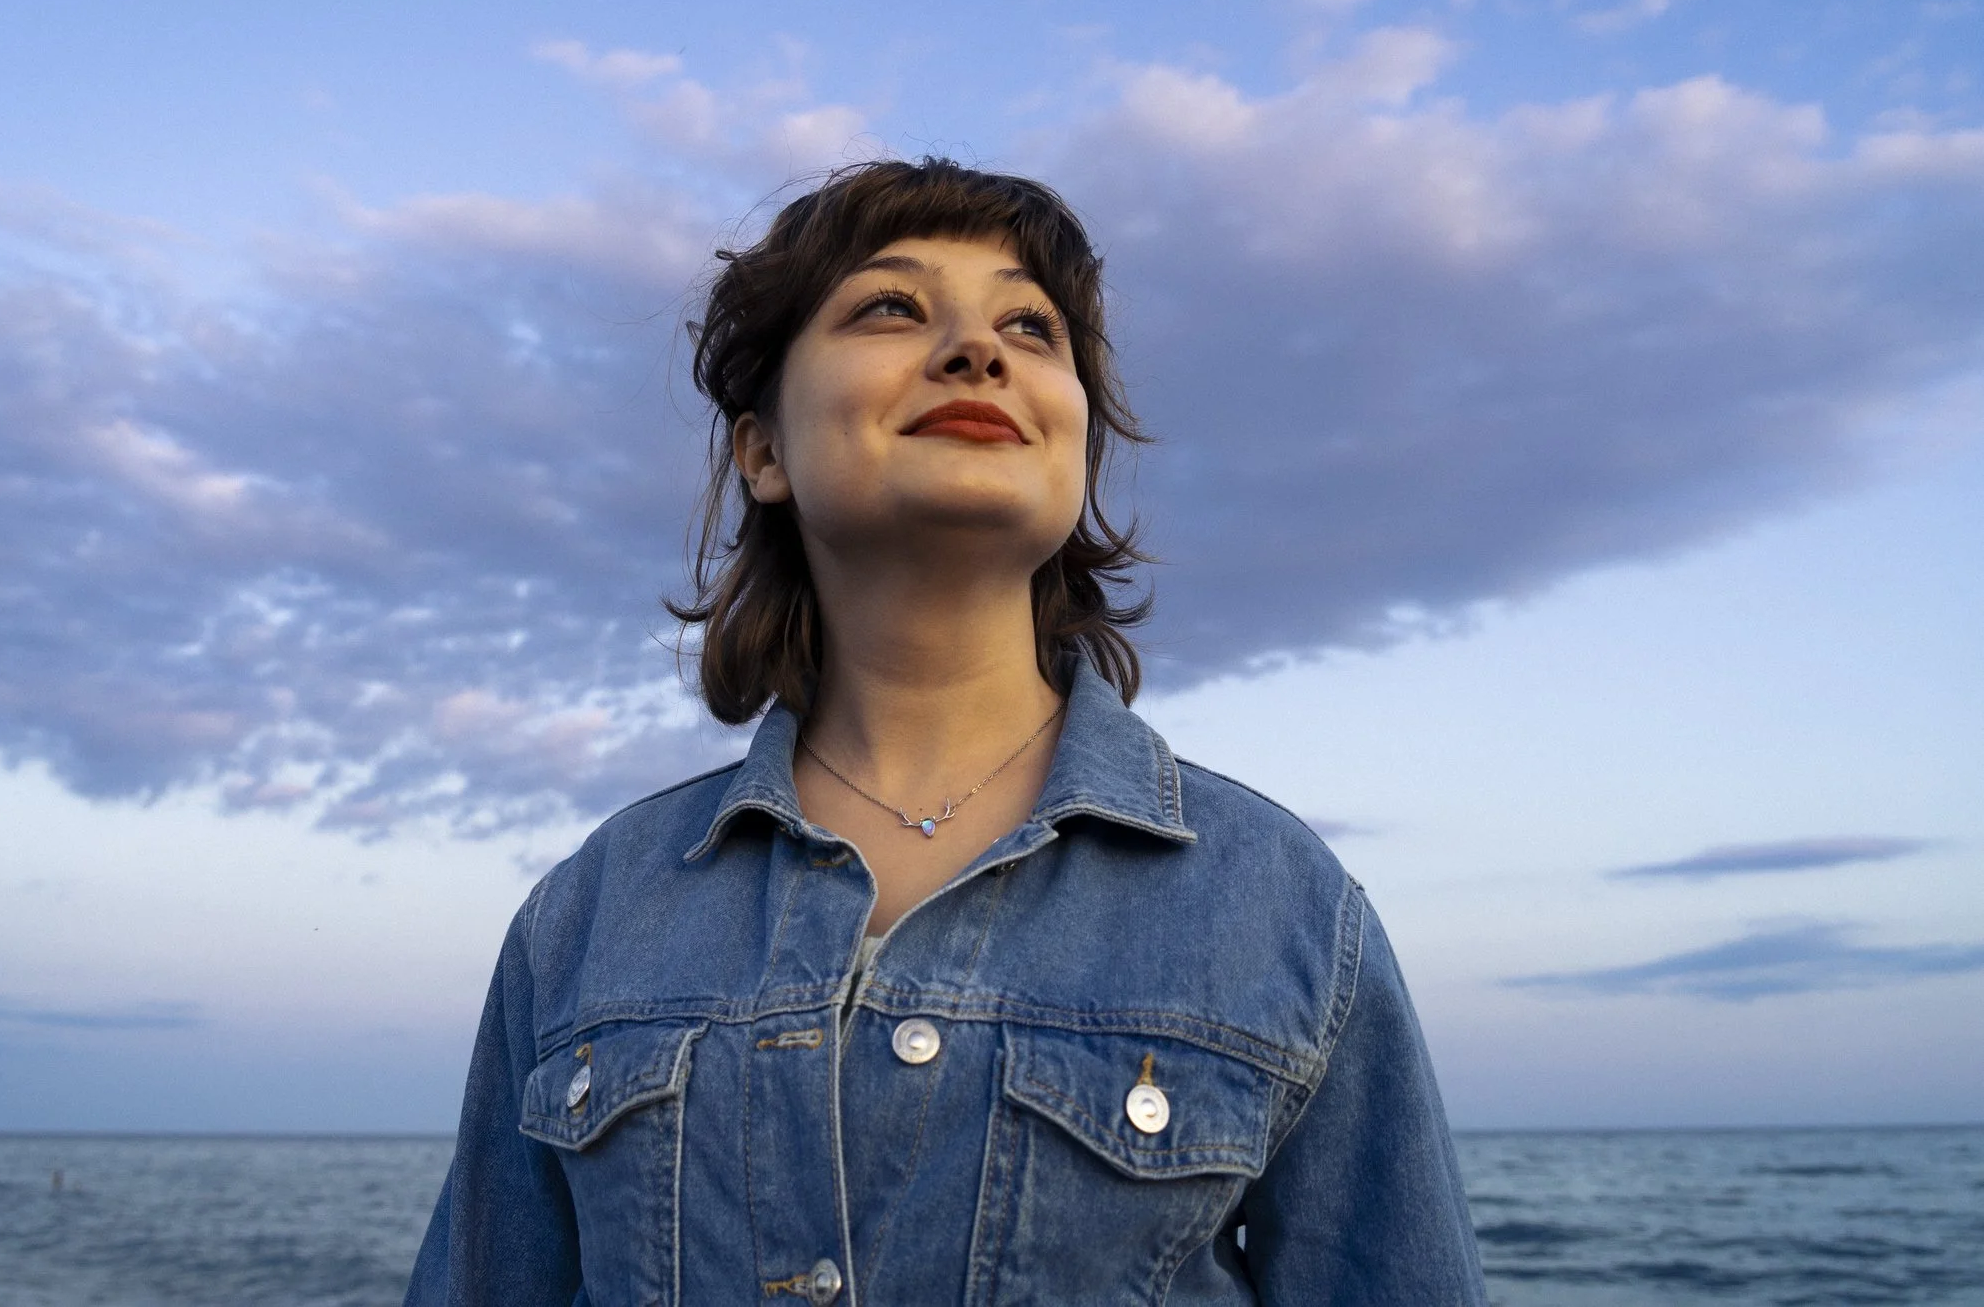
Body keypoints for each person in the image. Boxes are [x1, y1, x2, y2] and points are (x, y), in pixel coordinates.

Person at [405, 159, 1488, 1305]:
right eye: (891, 306)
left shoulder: (1283, 906)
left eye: (1031, 323)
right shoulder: (589, 914)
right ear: (762, 451)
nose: (982, 350)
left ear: (1075, 443)